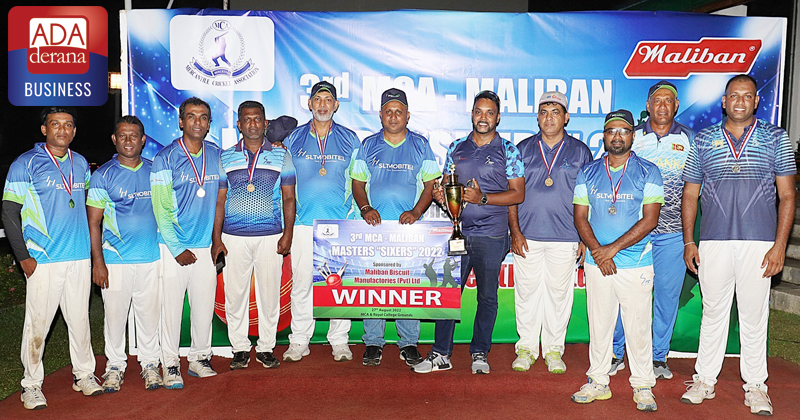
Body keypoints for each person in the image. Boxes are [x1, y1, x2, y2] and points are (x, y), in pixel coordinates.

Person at [680, 74, 795, 416]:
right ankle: (704, 380)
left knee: (753, 317)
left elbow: (788, 196)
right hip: (713, 241)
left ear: (756, 101)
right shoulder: (704, 139)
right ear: (724, 101)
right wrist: (689, 241)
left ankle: (756, 386)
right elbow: (690, 193)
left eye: (747, 96)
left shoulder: (776, 138)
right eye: (734, 95)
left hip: (759, 243)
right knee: (713, 312)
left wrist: (779, 246)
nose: (740, 101)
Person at [413, 90, 524, 375]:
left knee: (487, 297)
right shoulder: (456, 147)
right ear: (472, 114)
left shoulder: (509, 151)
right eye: (478, 111)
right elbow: (447, 186)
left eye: (489, 113)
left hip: (492, 235)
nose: (483, 118)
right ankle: (441, 353)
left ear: (498, 117)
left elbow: (518, 194)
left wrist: (482, 198)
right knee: (448, 293)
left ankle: (480, 352)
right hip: (458, 233)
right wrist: (441, 195)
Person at [2, 107, 102, 410]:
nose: (62, 129)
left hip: (78, 257)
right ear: (44, 129)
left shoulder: (81, 163)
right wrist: (23, 257)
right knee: (38, 325)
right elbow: (9, 212)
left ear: (74, 131)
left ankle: (84, 374)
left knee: (80, 321)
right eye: (55, 124)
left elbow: (87, 206)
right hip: (43, 259)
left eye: (68, 125)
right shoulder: (25, 163)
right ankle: (31, 385)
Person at [571, 109, 663, 412]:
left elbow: (650, 220)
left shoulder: (649, 171)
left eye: (624, 131)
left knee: (637, 328)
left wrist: (610, 250)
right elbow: (580, 216)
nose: (617, 136)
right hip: (597, 263)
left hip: (635, 264)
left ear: (632, 136)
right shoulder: (588, 172)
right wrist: (599, 251)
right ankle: (598, 381)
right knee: (599, 326)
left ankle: (643, 385)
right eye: (612, 131)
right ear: (604, 136)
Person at [609, 81, 695, 380]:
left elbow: (697, 187)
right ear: (647, 105)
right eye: (656, 100)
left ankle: (658, 356)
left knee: (666, 298)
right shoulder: (631, 137)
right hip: (633, 234)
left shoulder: (690, 139)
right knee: (625, 295)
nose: (662, 106)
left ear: (676, 105)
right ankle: (616, 352)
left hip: (673, 234)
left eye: (668, 100)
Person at [350, 88, 441, 367]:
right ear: (380, 115)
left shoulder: (420, 145)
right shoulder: (368, 145)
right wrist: (365, 208)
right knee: (373, 284)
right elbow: (357, 183)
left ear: (407, 115)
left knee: (407, 285)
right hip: (374, 229)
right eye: (388, 111)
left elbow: (430, 185)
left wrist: (416, 212)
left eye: (398, 111)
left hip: (408, 231)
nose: (393, 116)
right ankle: (373, 342)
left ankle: (409, 342)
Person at [509, 91, 592, 373]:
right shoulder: (521, 149)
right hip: (527, 235)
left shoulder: (580, 151)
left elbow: (587, 197)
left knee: (559, 296)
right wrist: (515, 232)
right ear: (537, 117)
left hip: (566, 236)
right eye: (544, 112)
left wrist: (584, 237)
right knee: (527, 294)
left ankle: (554, 349)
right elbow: (511, 194)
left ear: (566, 117)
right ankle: (526, 348)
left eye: (556, 112)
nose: (549, 118)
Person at [211, 101, 296, 371]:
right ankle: (239, 348)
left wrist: (288, 234)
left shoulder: (282, 156)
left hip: (271, 234)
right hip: (233, 236)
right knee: (235, 294)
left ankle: (266, 347)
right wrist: (217, 238)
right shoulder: (226, 156)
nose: (252, 124)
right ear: (239, 124)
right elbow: (220, 200)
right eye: (247, 119)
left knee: (269, 294)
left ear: (265, 123)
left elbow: (289, 197)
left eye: (257, 119)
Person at [150, 97, 227, 388]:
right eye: (191, 116)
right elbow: (160, 208)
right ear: (181, 122)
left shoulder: (217, 155)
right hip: (173, 247)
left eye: (203, 117)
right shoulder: (165, 157)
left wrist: (216, 241)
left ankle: (199, 358)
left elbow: (219, 201)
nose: (198, 122)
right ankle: (170, 364)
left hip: (205, 246)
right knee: (170, 309)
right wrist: (176, 248)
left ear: (209, 124)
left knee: (203, 306)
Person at [282, 81, 361, 362]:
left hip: (340, 222)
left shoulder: (350, 139)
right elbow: (284, 182)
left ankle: (339, 340)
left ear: (336, 105)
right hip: (303, 222)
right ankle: (299, 340)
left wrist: (354, 216)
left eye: (328, 99)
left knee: (338, 284)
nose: (323, 104)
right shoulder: (293, 139)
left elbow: (359, 180)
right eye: (318, 99)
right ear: (309, 104)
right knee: (302, 284)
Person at [87, 116, 163, 393]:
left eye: (134, 136)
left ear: (143, 140)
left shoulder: (156, 172)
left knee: (149, 317)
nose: (128, 141)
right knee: (115, 318)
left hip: (151, 259)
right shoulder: (103, 175)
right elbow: (93, 222)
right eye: (123, 136)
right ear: (114, 139)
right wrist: (98, 263)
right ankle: (115, 367)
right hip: (115, 261)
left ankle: (150, 364)